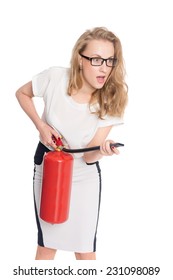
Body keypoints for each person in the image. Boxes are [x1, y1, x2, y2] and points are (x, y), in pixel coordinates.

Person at [16, 27, 128, 260]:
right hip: (49, 168)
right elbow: (22, 94)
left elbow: (89, 157)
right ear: (80, 59)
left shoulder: (111, 98)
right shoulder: (55, 78)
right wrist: (40, 125)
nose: (104, 67)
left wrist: (103, 151)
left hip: (83, 176)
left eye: (110, 60)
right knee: (47, 246)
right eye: (96, 59)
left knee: (85, 249)